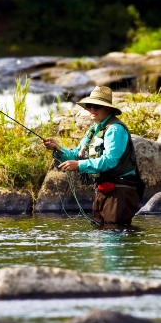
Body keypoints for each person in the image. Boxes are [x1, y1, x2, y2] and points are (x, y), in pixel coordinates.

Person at [43, 86, 141, 225]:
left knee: (113, 234)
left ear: (109, 109)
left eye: (97, 106)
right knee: (102, 235)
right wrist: (57, 149)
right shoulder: (93, 130)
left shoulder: (115, 129)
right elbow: (78, 155)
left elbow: (110, 160)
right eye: (90, 105)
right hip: (104, 190)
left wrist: (79, 166)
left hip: (120, 191)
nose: (92, 109)